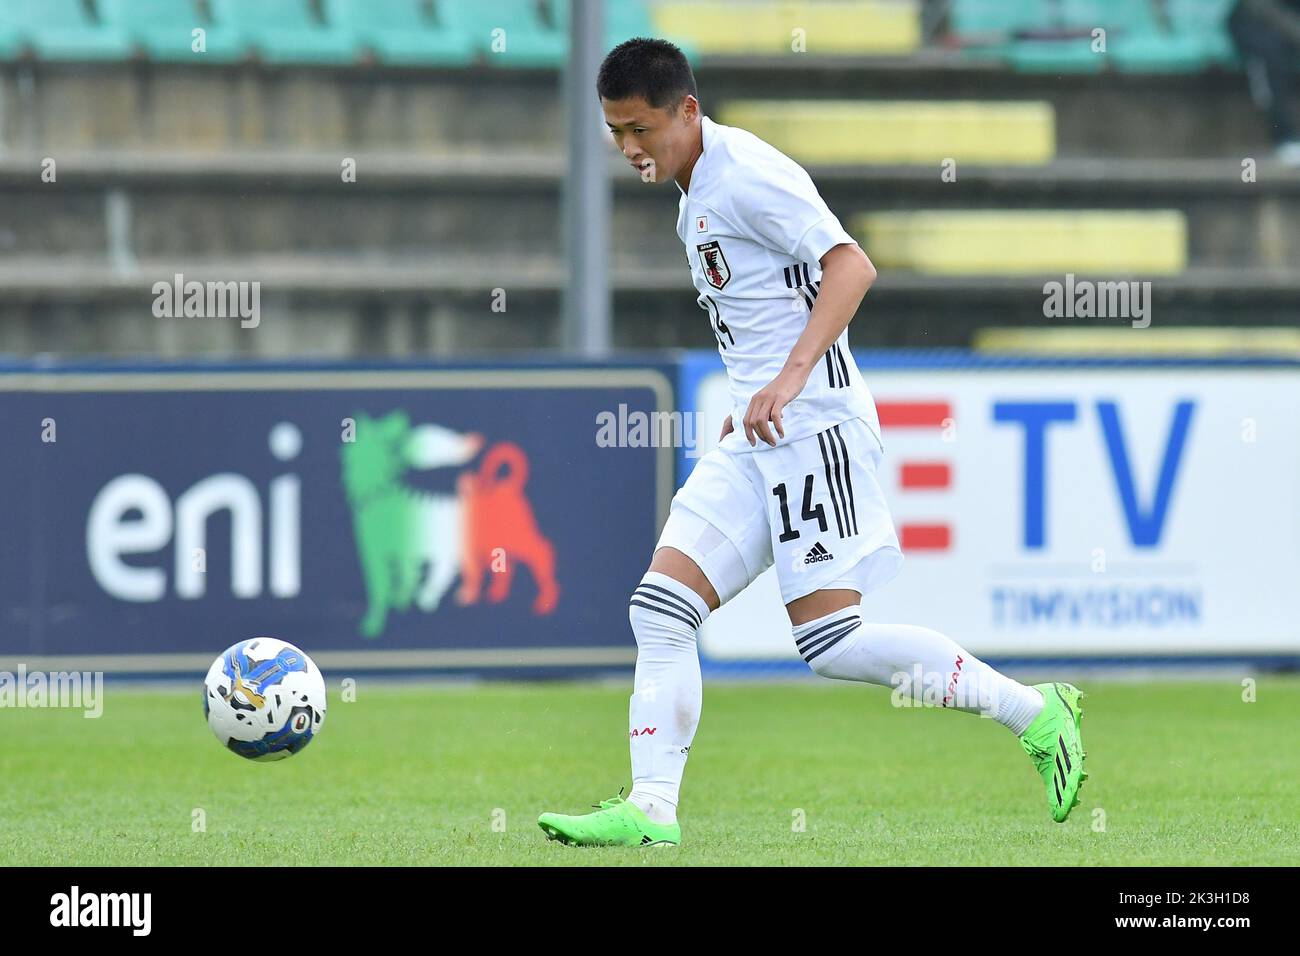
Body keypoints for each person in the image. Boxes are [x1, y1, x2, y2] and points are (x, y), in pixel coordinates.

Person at [537, 38, 1086, 848]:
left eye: (641, 130)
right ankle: (651, 810)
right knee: (660, 609)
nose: (629, 149)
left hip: (815, 427)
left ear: (687, 111)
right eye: (616, 132)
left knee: (832, 642)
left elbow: (851, 266)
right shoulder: (693, 189)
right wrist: (752, 391)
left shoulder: (748, 173)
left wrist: (788, 379)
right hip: (756, 434)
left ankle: (1036, 712)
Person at [1229, 0, 1300, 165]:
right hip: (1254, 22)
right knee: (1271, 56)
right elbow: (1259, 6)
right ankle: (1284, 138)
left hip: (1288, 27)